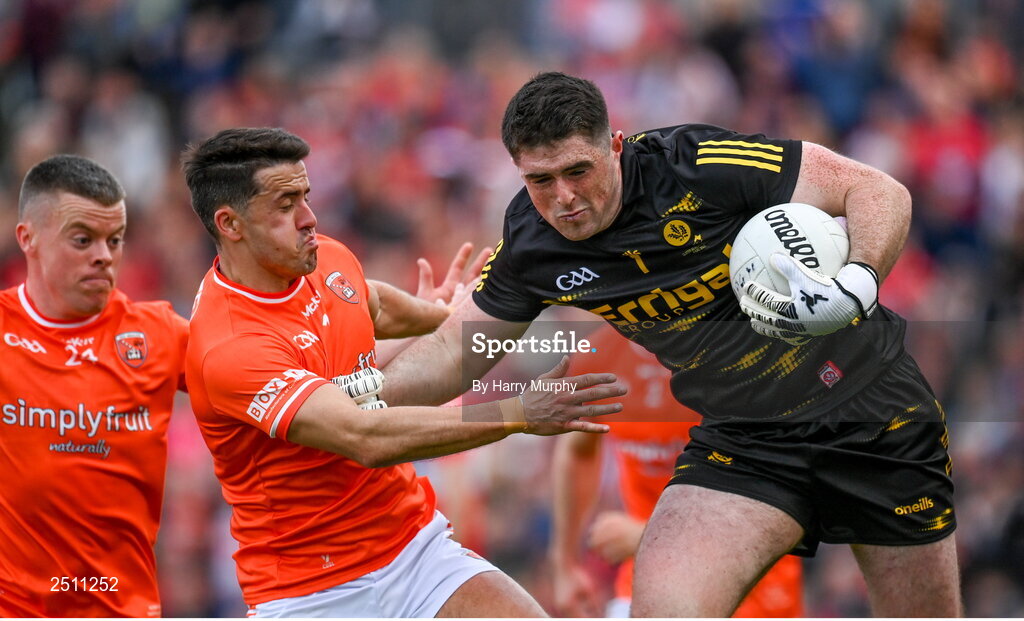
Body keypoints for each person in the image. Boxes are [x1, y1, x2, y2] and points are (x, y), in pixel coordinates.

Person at [381, 71, 960, 617]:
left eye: (578, 171)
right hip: (746, 439)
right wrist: (349, 394)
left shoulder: (697, 165)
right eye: (540, 180)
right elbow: (455, 355)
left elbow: (876, 190)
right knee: (662, 608)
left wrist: (856, 284)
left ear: (615, 144)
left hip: (872, 415)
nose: (563, 198)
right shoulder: (534, 245)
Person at [180, 127, 624, 618]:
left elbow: (366, 301)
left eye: (305, 197)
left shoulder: (321, 256)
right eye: (285, 205)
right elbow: (366, 436)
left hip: (413, 549)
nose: (309, 218)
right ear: (231, 223)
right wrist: (518, 412)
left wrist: (439, 314)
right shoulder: (230, 346)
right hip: (312, 591)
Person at [0, 154, 189, 617]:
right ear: (28, 239)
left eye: (115, 240)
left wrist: (364, 372)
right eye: (83, 240)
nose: (104, 255)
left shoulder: (158, 335)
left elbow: (263, 374)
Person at [550, 324, 802, 618]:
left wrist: (646, 537)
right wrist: (565, 562)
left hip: (750, 587)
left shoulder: (740, 357)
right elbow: (577, 448)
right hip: (643, 579)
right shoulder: (600, 353)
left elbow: (777, 489)